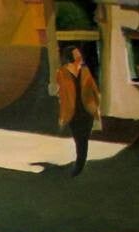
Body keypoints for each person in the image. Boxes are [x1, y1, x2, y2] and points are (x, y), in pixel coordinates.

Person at [56, 45, 100, 177]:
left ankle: (80, 164)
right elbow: (62, 95)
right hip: (73, 112)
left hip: (87, 110)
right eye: (77, 54)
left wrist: (96, 108)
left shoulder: (85, 70)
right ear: (70, 57)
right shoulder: (62, 73)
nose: (80, 56)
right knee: (78, 138)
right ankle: (80, 162)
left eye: (79, 54)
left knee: (83, 139)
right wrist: (62, 115)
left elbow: (93, 89)